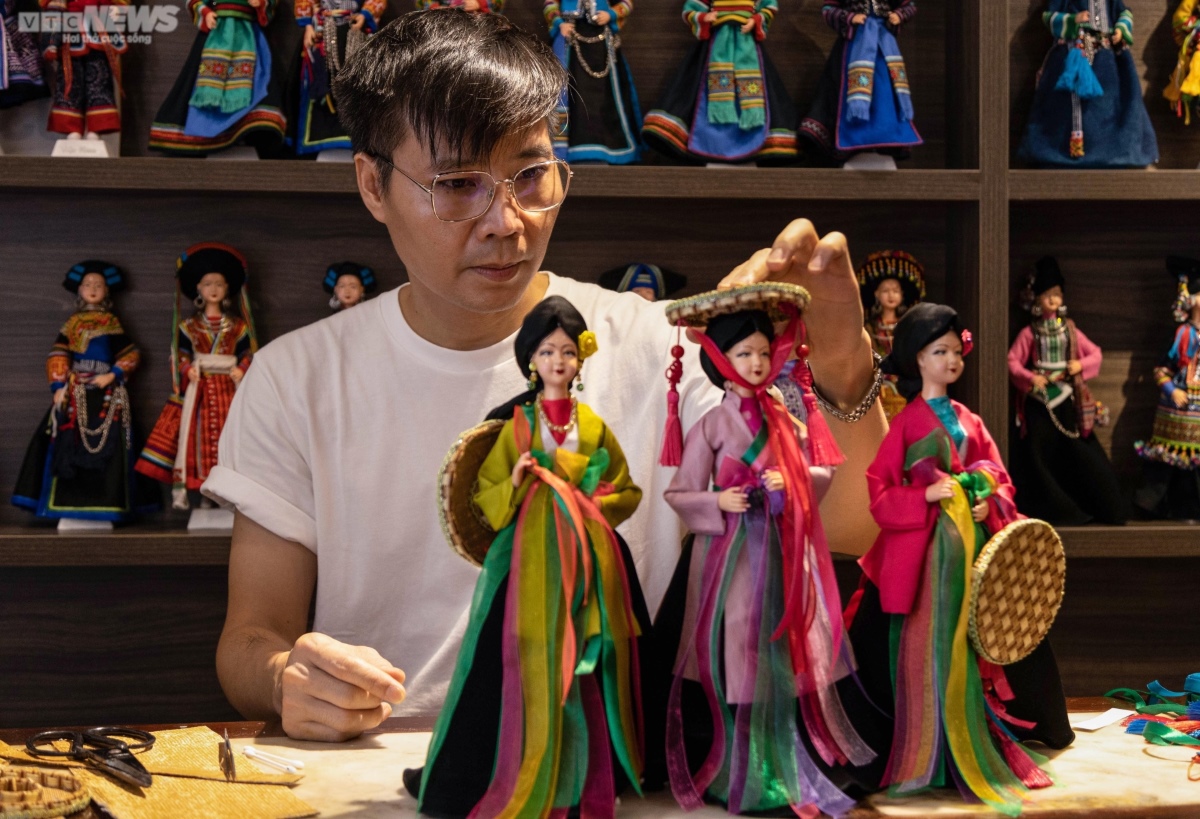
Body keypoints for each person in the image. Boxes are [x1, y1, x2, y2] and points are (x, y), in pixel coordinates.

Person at [206, 7, 884, 743]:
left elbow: (851, 528)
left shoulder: (659, 344)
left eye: (531, 176)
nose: (506, 221)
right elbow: (251, 634)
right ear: (373, 185)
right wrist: (286, 678)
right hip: (385, 762)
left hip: (612, 761)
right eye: (457, 184)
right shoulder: (295, 379)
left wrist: (842, 359)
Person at [410, 296, 650, 816]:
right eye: (547, 352)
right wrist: (517, 478)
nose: (558, 361)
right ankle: (504, 765)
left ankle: (583, 771)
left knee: (585, 653)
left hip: (586, 554)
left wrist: (596, 498)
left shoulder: (593, 426)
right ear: (531, 361)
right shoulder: (518, 424)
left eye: (567, 351)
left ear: (580, 360)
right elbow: (486, 492)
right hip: (530, 552)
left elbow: (626, 488)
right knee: (515, 650)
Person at [855, 303, 1072, 814]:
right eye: (940, 351)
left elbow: (998, 474)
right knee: (919, 646)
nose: (951, 360)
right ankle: (922, 743)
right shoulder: (905, 424)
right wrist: (923, 497)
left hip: (971, 549)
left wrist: (986, 498)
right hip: (923, 555)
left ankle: (971, 733)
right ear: (918, 359)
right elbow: (879, 492)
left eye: (955, 351)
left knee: (974, 637)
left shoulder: (969, 419)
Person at [1006, 256, 1126, 525]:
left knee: (1079, 451)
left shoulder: (1069, 329)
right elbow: (1012, 361)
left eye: (1057, 294)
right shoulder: (1030, 333)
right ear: (1036, 299)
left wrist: (1079, 365)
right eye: (1047, 295)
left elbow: (1095, 353)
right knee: (1037, 454)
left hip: (1065, 397)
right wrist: (1030, 377)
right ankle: (1051, 508)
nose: (1053, 300)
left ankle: (1101, 505)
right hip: (1039, 401)